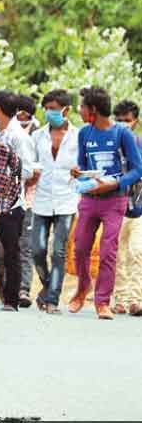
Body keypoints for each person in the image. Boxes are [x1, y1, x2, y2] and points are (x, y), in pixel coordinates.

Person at [69, 86, 142, 320]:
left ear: (93, 109)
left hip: (114, 200)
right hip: (89, 199)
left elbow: (138, 169)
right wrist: (78, 173)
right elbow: (83, 166)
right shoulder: (84, 133)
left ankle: (102, 302)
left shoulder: (122, 133)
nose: (79, 111)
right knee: (80, 247)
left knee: (109, 251)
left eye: (82, 107)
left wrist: (114, 184)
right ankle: (83, 288)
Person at [0, 90, 35, 311]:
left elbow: (28, 170)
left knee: (11, 252)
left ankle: (11, 299)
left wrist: (1, 174)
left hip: (10, 204)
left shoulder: (19, 137)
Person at [29, 89, 80, 314]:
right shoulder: (37, 136)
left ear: (66, 110)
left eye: (54, 109)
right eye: (47, 108)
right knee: (37, 250)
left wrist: (80, 172)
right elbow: (30, 166)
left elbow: (85, 166)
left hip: (66, 200)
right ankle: (48, 286)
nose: (50, 113)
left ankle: (52, 300)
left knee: (58, 251)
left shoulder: (78, 136)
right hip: (41, 200)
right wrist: (32, 175)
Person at [111, 99, 142, 317]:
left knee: (137, 252)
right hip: (114, 208)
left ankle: (135, 299)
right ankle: (120, 299)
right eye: (119, 121)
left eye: (127, 121)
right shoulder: (110, 148)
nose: (123, 125)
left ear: (136, 122)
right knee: (116, 255)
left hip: (139, 208)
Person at [15, 93, 38, 308]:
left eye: (25, 113)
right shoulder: (7, 133)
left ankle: (24, 289)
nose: (22, 117)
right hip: (10, 198)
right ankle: (8, 288)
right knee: (1, 248)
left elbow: (37, 171)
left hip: (30, 198)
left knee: (26, 247)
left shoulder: (38, 135)